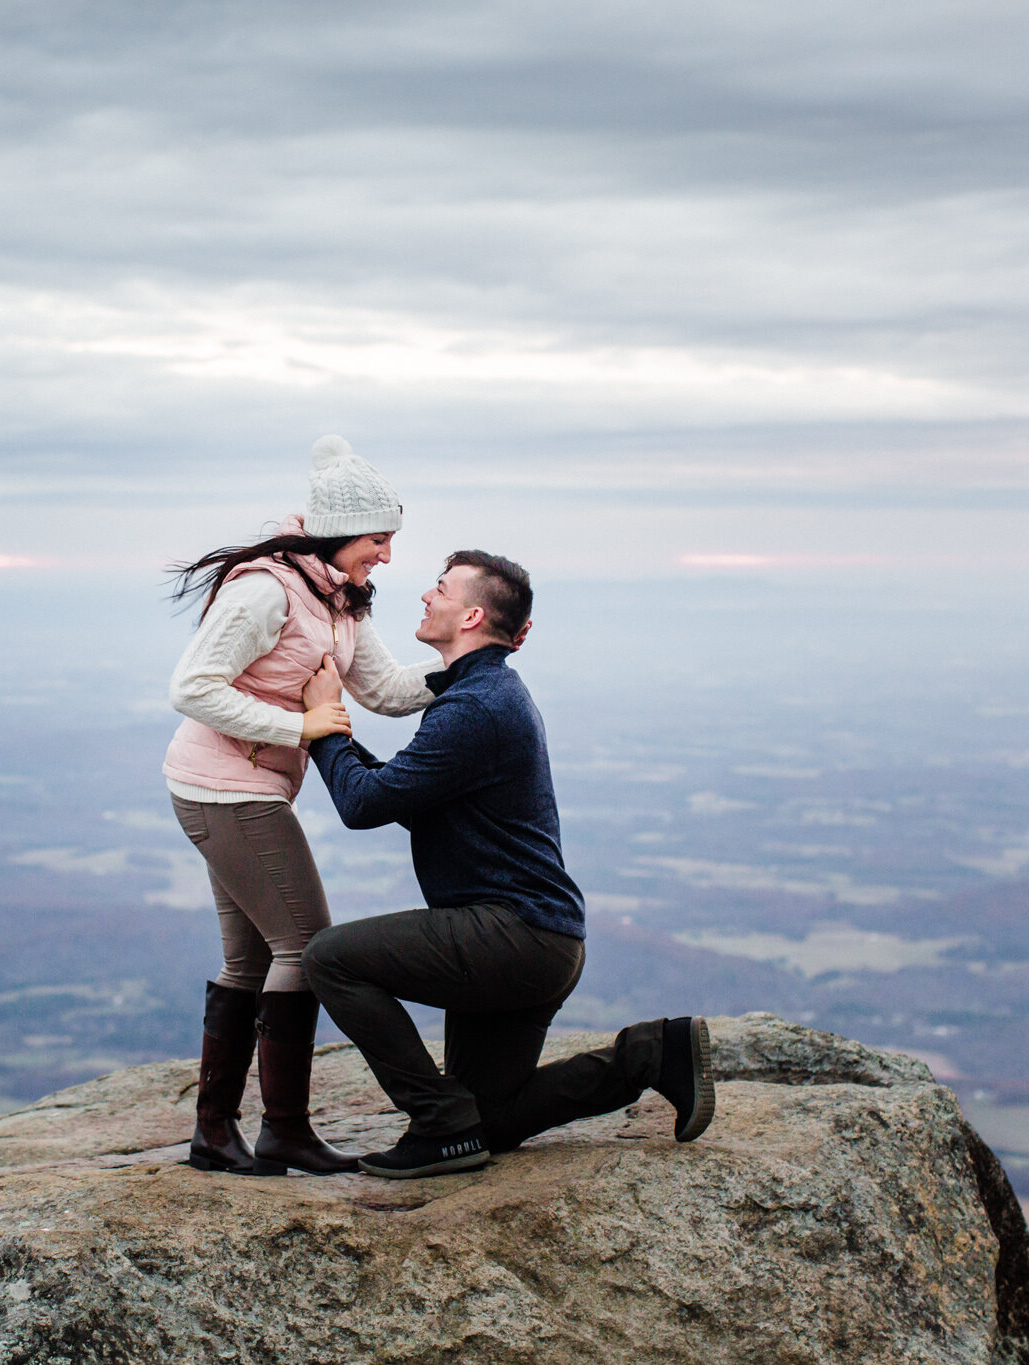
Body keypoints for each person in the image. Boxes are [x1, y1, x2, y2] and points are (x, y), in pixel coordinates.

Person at [300, 551, 715, 1178]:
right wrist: (334, 727)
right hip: (537, 941)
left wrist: (325, 727)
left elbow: (364, 804)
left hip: (512, 937)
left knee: (329, 958)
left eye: (439, 589)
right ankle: (652, 1056)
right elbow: (398, 790)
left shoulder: (474, 709)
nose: (424, 597)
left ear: (470, 615)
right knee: (485, 1123)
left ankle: (435, 1120)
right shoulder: (483, 695)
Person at [163, 435, 436, 1176]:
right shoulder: (269, 589)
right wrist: (300, 726)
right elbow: (191, 686)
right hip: (224, 787)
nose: (385, 555)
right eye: (379, 540)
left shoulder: (339, 598)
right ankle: (281, 1129)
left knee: (250, 959)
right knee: (308, 946)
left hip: (244, 787)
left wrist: (467, 667)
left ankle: (215, 1134)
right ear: (342, 531)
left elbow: (380, 689)